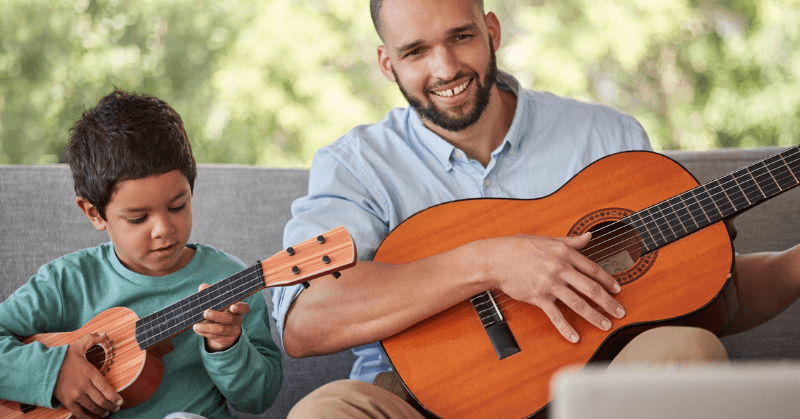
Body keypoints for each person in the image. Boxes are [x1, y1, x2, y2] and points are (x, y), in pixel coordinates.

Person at [272, 0, 800, 417]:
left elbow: (697, 297)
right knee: (324, 412)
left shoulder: (607, 136)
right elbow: (305, 320)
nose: (446, 67)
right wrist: (490, 263)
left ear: (492, 32)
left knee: (689, 351)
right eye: (416, 51)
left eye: (462, 36)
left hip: (590, 392)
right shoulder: (355, 165)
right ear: (387, 63)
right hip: (417, 400)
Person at [0, 90, 282, 419]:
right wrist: (53, 373)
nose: (163, 228)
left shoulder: (229, 283)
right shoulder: (67, 282)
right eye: (137, 218)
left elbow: (260, 399)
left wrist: (229, 346)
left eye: (178, 206)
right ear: (94, 213)